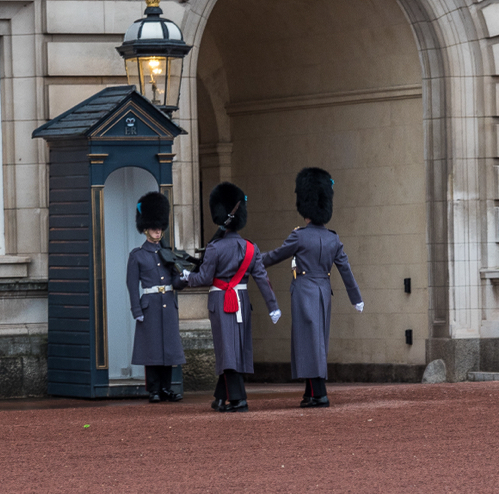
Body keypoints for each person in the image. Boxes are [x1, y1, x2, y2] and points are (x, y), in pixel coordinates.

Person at [260, 167, 363, 409]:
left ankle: (319, 393)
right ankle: (310, 391)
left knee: (308, 341)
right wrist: (356, 298)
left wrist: (250, 260)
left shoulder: (299, 236)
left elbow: (274, 256)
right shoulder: (333, 238)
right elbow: (345, 270)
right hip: (324, 291)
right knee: (316, 340)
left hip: (304, 290)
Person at [182, 182, 281, 412]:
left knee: (227, 351)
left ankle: (238, 399)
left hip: (221, 302)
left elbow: (205, 278)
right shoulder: (251, 248)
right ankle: (220, 397)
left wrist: (187, 276)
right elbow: (262, 279)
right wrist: (273, 306)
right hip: (242, 302)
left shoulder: (215, 248)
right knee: (235, 349)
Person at [127, 191, 186, 402]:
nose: (158, 231)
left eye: (160, 228)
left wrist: (184, 277)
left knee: (168, 348)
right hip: (150, 305)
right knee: (151, 349)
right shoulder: (137, 255)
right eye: (154, 228)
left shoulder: (167, 253)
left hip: (167, 303)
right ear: (145, 229)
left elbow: (175, 282)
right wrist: (136, 309)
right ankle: (154, 389)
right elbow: (132, 285)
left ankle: (166, 388)